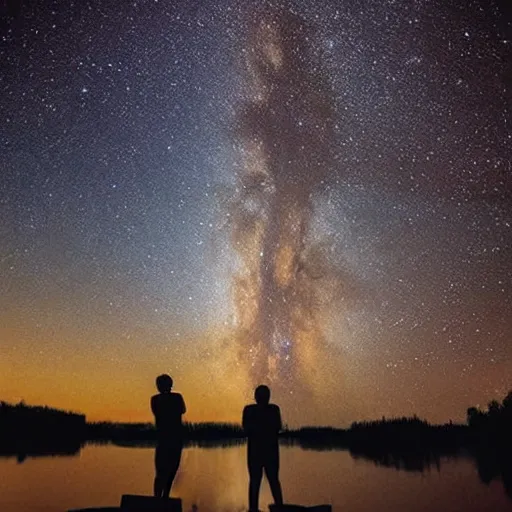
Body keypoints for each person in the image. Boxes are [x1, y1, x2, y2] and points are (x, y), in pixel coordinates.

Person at [242, 385, 284, 512]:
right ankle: (277, 507)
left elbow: (247, 429)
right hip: (266, 451)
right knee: (270, 480)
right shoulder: (272, 409)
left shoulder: (250, 410)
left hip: (259, 451)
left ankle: (255, 509)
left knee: (261, 480)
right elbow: (277, 428)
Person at [151, 374, 186, 498]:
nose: (159, 387)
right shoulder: (160, 399)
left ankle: (163, 497)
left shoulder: (160, 399)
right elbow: (181, 410)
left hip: (172, 437)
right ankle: (158, 497)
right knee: (162, 470)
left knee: (170, 469)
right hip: (168, 438)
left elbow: (182, 410)